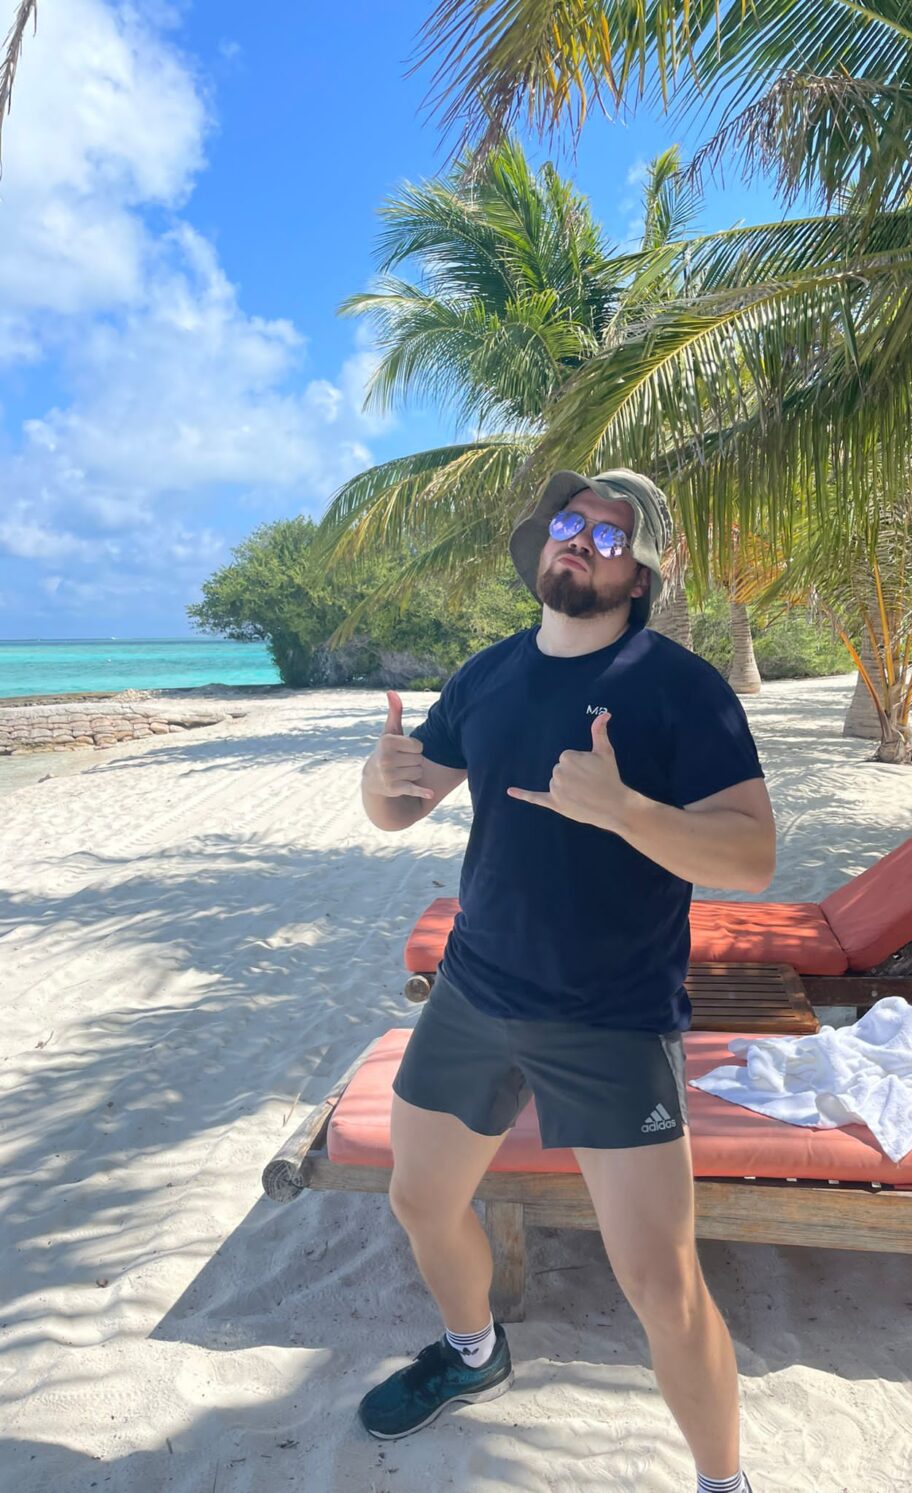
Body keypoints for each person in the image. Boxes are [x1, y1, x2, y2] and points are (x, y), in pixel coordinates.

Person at [358, 469, 775, 1493]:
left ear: (641, 573)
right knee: (419, 1197)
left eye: (609, 532)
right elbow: (399, 810)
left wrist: (627, 809)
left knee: (661, 1282)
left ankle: (723, 1480)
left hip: (611, 1016)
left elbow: (751, 855)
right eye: (569, 523)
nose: (581, 540)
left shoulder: (680, 687)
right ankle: (471, 1348)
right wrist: (382, 777)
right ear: (542, 547)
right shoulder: (490, 673)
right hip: (473, 990)